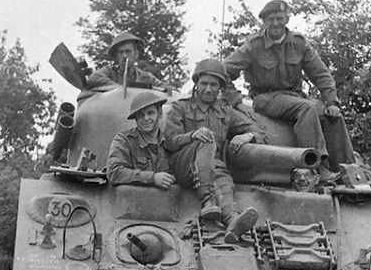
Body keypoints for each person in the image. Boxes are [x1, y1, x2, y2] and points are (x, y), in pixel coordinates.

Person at [108, 90, 258, 243]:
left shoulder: (169, 140)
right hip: (138, 208)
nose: (146, 119)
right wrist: (153, 178)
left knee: (209, 150)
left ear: (159, 113)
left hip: (174, 204)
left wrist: (195, 136)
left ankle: (218, 208)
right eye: (141, 115)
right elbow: (114, 172)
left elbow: (186, 150)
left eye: (150, 113)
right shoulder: (124, 140)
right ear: (135, 119)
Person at [223, 0, 346, 162]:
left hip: (294, 97)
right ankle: (315, 165)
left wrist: (331, 102)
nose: (275, 23)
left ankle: (347, 168)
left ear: (286, 19)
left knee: (333, 116)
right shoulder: (254, 46)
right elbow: (222, 71)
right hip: (265, 98)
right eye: (270, 20)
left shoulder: (299, 44)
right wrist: (235, 100)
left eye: (279, 18)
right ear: (264, 22)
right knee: (307, 108)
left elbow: (321, 74)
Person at [85, 32, 165, 91]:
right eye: (121, 52)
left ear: (136, 54)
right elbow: (93, 79)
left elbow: (167, 89)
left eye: (128, 51)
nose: (124, 56)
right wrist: (119, 88)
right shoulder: (109, 71)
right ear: (116, 56)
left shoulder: (145, 76)